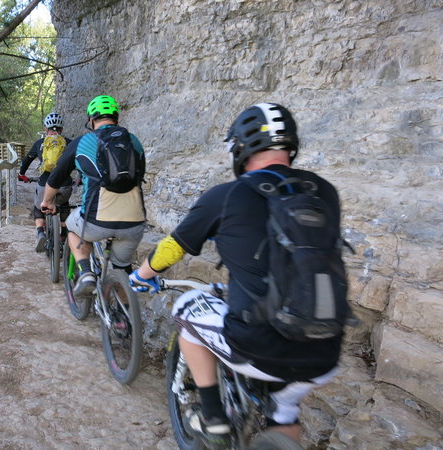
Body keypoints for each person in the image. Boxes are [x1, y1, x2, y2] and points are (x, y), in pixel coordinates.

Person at [129, 103, 342, 448]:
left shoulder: (226, 196)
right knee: (284, 412)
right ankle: (281, 425)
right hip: (324, 353)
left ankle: (213, 417)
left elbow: (173, 247)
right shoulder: (325, 192)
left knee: (186, 307)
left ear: (240, 149)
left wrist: (141, 276)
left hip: (258, 345)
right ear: (291, 144)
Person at [42, 95, 146, 297]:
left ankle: (86, 273)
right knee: (121, 269)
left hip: (96, 220)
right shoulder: (134, 142)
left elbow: (55, 178)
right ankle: (123, 321)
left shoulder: (84, 142)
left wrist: (47, 201)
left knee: (72, 229)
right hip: (134, 223)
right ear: (116, 117)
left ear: (91, 120)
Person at [18, 112, 73, 252]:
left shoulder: (39, 144)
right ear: (61, 129)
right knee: (64, 204)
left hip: (45, 184)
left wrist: (22, 174)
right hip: (65, 185)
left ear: (45, 128)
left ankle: (41, 233)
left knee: (38, 207)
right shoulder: (69, 143)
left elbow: (26, 161)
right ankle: (64, 235)